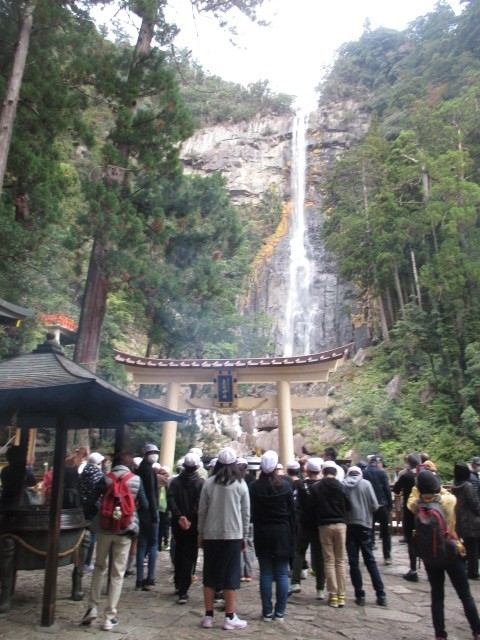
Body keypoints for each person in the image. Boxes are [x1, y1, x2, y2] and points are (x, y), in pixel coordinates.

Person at [407, 470, 480, 640]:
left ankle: (440, 634)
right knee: (464, 594)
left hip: (430, 556)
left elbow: (411, 498)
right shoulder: (449, 501)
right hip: (452, 551)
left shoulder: (416, 505)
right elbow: (448, 495)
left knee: (437, 595)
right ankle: (477, 630)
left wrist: (419, 487)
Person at [81, 451, 143, 631]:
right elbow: (144, 504)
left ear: (114, 463)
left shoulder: (105, 478)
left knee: (99, 567)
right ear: (130, 464)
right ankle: (109, 616)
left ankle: (92, 608)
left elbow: (91, 500)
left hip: (104, 528)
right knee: (117, 573)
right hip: (125, 529)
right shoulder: (136, 480)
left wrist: (95, 518)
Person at [198, 446, 250, 630]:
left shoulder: (209, 483)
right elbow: (246, 514)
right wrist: (245, 536)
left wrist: (200, 534)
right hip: (233, 535)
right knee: (231, 576)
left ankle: (208, 616)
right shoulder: (240, 484)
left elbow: (202, 512)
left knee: (210, 575)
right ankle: (229, 616)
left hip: (211, 534)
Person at [249, 450, 295, 622]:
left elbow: (251, 511)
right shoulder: (285, 486)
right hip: (282, 532)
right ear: (276, 466)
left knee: (266, 573)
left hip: (262, 531)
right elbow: (292, 511)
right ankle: (280, 612)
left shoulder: (254, 487)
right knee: (282, 573)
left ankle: (267, 612)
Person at [342, 465, 387, 607]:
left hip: (349, 526)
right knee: (370, 561)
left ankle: (359, 595)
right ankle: (381, 594)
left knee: (353, 562)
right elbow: (374, 505)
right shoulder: (366, 484)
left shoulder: (343, 485)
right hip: (365, 525)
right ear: (360, 474)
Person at [309, 461, 351, 608]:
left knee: (328, 560)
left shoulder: (317, 487)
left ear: (323, 472)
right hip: (340, 525)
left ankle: (332, 595)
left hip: (324, 525)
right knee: (340, 560)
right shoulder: (341, 486)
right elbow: (349, 505)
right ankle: (342, 595)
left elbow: (311, 507)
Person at [167, 452, 204, 604]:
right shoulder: (200, 483)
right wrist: (189, 518)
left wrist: (179, 517)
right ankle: (184, 590)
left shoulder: (174, 482)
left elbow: (171, 501)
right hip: (193, 525)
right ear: (196, 467)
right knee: (190, 555)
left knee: (179, 553)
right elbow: (199, 503)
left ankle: (178, 583)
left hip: (177, 524)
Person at [288, 457, 326, 599]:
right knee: (319, 556)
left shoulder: (301, 485)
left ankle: (296, 582)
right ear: (319, 470)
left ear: (306, 470)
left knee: (299, 552)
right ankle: (320, 589)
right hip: (319, 524)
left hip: (304, 524)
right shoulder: (323, 485)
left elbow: (296, 504)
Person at [135, 443, 160, 591]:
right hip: (150, 511)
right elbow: (151, 493)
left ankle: (139, 578)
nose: (154, 455)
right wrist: (154, 515)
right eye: (152, 452)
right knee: (153, 544)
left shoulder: (141, 469)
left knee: (142, 544)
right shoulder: (148, 470)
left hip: (142, 511)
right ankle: (150, 577)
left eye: (156, 452)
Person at [393, 453, 421, 582]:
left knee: (410, 540)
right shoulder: (426, 475)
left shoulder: (407, 476)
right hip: (426, 512)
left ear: (409, 463)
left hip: (410, 511)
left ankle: (413, 569)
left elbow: (397, 490)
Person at [451, 462, 480, 580]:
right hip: (471, 522)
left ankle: (462, 568)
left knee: (463, 546)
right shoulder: (467, 486)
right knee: (473, 548)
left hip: (459, 520)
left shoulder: (454, 485)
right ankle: (472, 572)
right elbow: (474, 504)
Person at [79, 452, 107, 572]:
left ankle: (80, 559)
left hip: (83, 505)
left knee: (84, 533)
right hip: (94, 507)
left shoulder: (84, 471)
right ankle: (87, 561)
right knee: (92, 534)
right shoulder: (97, 474)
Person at [362, 455, 392, 565]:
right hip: (382, 504)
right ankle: (387, 556)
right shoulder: (382, 473)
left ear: (369, 462)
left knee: (369, 530)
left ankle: (369, 555)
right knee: (386, 532)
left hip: (369, 506)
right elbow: (387, 490)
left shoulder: (364, 473)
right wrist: (390, 506)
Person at [237, 457, 255, 582]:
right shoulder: (253, 481)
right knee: (248, 544)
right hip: (250, 517)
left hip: (236, 517)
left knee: (238, 545)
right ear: (247, 468)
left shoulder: (234, 481)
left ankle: (239, 572)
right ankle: (248, 572)